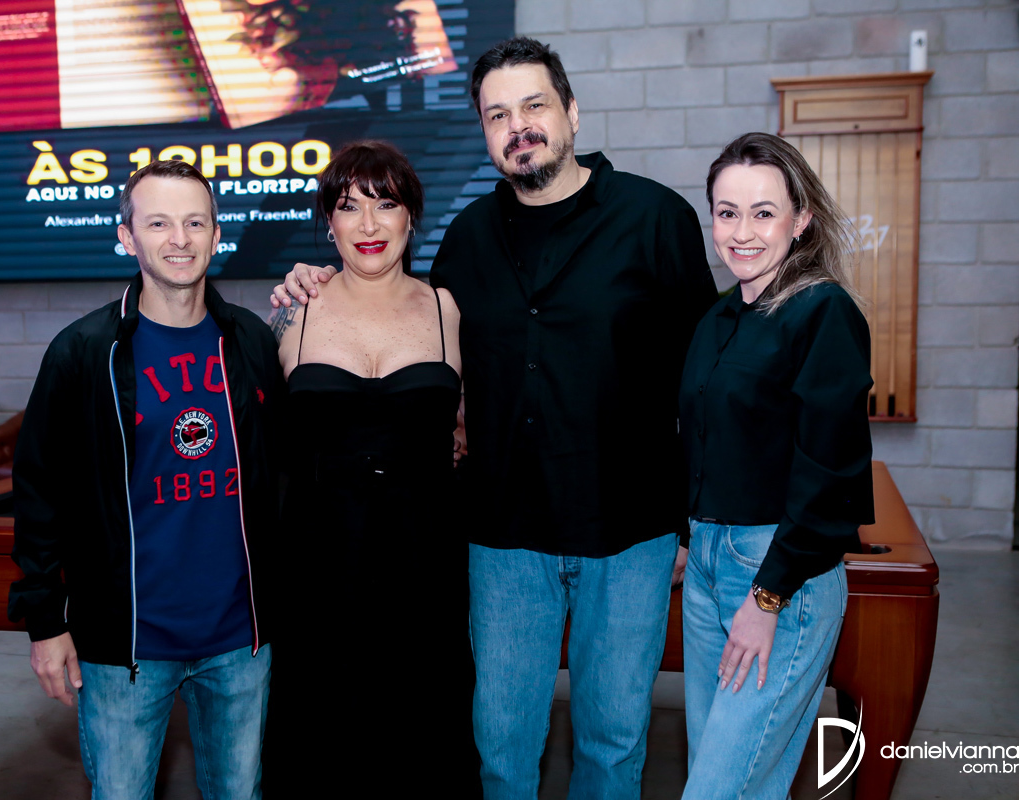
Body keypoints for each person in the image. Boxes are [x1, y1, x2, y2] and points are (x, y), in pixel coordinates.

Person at [272, 37, 718, 799]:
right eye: (498, 114)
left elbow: (702, 381)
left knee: (613, 745)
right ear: (484, 131)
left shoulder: (655, 219)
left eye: (534, 105)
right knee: (502, 752)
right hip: (504, 538)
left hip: (629, 532)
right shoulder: (467, 239)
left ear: (571, 111)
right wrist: (311, 281)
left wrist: (689, 521)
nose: (519, 126)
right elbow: (416, 343)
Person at [8, 159, 284, 800]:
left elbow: (283, 471)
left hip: (239, 640)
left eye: (195, 223)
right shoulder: (83, 351)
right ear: (127, 237)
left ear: (217, 235)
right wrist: (45, 623)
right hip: (125, 645)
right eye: (158, 223)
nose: (179, 239)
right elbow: (39, 492)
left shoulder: (250, 342)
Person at [261, 139, 477, 796]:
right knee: (322, 744)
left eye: (385, 204)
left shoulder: (448, 309)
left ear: (412, 215)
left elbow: (482, 424)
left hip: (426, 571)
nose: (369, 224)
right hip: (318, 573)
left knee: (424, 741)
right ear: (329, 222)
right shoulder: (293, 312)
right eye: (349, 206)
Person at [678, 132, 875, 799]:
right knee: (734, 778)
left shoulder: (822, 312)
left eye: (763, 213)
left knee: (718, 788)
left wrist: (768, 597)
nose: (742, 232)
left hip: (779, 575)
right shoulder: (717, 317)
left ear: (801, 220)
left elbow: (832, 474)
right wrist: (689, 538)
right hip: (709, 564)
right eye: (727, 212)